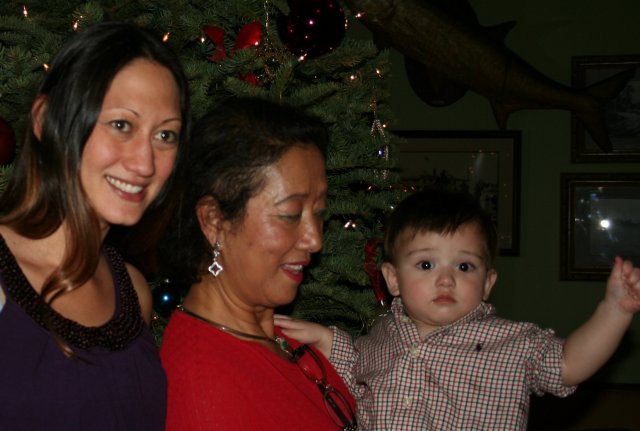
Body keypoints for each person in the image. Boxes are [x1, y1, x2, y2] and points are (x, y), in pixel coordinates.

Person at [276, 188, 640, 430]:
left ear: (487, 282)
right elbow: (356, 370)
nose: (446, 279)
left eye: (464, 266)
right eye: (426, 265)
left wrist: (615, 311)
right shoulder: (385, 333)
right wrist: (325, 339)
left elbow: (569, 365)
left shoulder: (511, 342)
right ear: (393, 279)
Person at [0, 21, 190, 430]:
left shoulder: (134, 293)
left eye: (165, 135)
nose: (145, 163)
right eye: (121, 125)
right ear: (46, 120)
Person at [158, 97, 357, 431]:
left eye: (319, 213)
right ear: (213, 221)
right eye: (290, 215)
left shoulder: (283, 338)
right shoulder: (207, 391)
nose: (315, 240)